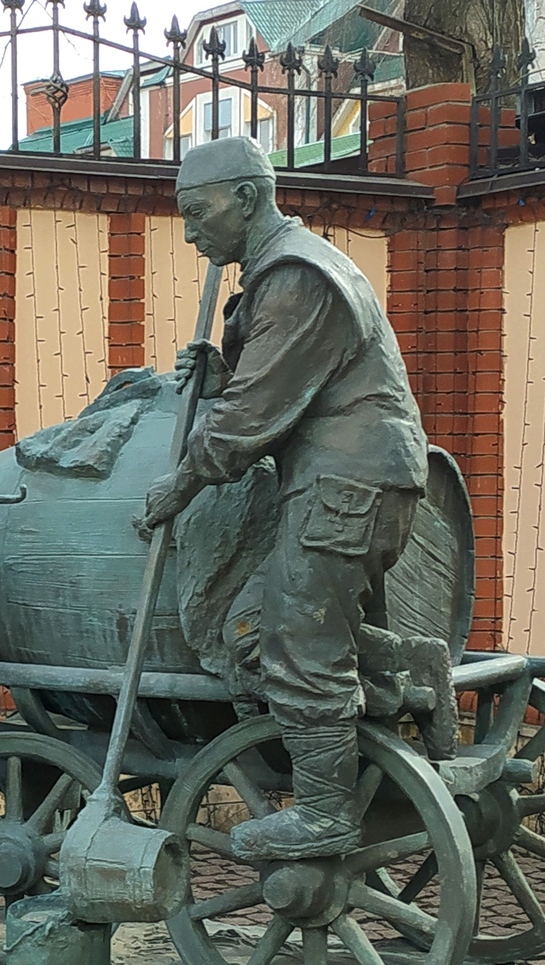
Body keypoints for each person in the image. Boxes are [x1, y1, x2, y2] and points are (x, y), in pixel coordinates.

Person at [135, 137, 431, 863]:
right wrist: (221, 365)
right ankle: (410, 665)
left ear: (246, 197)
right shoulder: (281, 274)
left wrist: (177, 485)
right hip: (347, 476)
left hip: (344, 481)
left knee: (297, 639)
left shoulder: (297, 276)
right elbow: (274, 383)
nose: (190, 231)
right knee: (283, 624)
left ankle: (326, 811)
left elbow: (249, 419)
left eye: (196, 211)